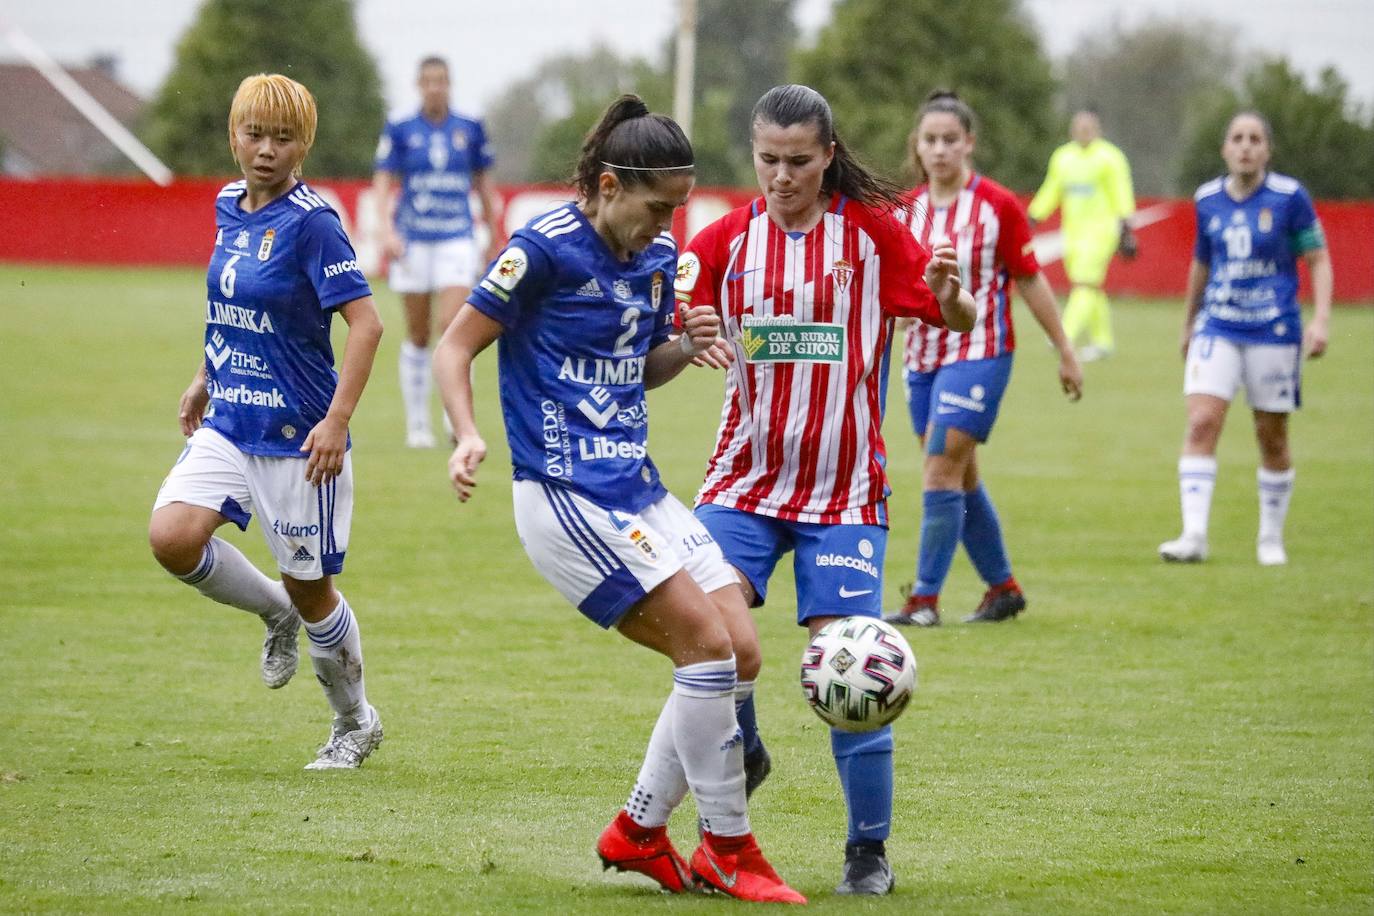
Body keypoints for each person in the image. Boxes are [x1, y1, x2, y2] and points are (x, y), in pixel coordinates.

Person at [432, 94, 805, 905]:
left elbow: (638, 368)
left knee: (740, 651)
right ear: (608, 185)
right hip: (567, 497)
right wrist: (466, 434)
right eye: (657, 207)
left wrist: (685, 345)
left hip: (638, 489)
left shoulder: (656, 261)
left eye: (679, 208)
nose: (668, 225)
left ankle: (637, 832)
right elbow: (453, 346)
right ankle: (728, 849)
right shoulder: (542, 252)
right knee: (704, 649)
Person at [675, 84, 976, 896]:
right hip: (742, 481)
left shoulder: (873, 235)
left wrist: (950, 294)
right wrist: (688, 333)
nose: (781, 176)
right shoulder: (724, 240)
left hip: (844, 495)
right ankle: (745, 742)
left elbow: (954, 314)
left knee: (854, 675)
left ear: (828, 156)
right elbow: (668, 326)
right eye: (768, 160)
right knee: (708, 634)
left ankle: (866, 853)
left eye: (799, 161)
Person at [148, 74, 386, 770]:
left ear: (303, 145)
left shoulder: (314, 224)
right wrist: (203, 376)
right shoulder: (228, 205)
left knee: (314, 591)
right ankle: (271, 609)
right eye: (255, 133)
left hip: (297, 437)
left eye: (283, 138)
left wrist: (337, 422)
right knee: (172, 537)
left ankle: (355, 722)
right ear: (234, 133)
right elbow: (231, 304)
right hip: (230, 417)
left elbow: (368, 326)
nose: (266, 150)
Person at [884, 90, 1084, 628]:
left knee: (939, 467)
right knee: (959, 475)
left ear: (969, 143)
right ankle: (1003, 589)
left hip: (981, 351)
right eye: (931, 140)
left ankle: (924, 600)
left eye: (951, 139)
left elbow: (1031, 280)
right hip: (923, 356)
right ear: (918, 147)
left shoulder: (998, 206)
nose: (941, 149)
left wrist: (1065, 350)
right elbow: (898, 287)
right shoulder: (906, 210)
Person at [1159, 111, 1332, 566]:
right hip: (1218, 325)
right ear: (1225, 149)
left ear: (1267, 150)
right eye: (1237, 138)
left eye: (1255, 139)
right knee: (1201, 421)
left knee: (1271, 436)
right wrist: (1187, 323)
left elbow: (1317, 259)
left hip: (1273, 330)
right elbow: (1202, 263)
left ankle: (1270, 538)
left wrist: (1321, 320)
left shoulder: (1290, 197)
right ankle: (1193, 535)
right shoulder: (1207, 199)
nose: (1246, 146)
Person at [373, 55, 499, 448]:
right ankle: (416, 423)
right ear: (418, 85)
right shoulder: (400, 128)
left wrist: (494, 234)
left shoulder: (470, 128)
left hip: (456, 236)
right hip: (414, 238)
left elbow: (484, 185)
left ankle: (451, 412)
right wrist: (386, 229)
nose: (435, 87)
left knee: (453, 324)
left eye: (441, 80)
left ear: (449, 84)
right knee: (417, 332)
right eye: (427, 80)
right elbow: (382, 183)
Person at [1028, 109, 1137, 361]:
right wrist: (1034, 215)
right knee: (1091, 286)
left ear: (1097, 129)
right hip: (1073, 233)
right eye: (1079, 127)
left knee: (1084, 283)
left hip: (1101, 230)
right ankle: (1103, 342)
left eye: (1088, 127)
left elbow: (1122, 190)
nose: (1083, 131)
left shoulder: (1110, 157)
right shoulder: (1063, 157)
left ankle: (1063, 335)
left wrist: (1126, 225)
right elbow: (1051, 189)